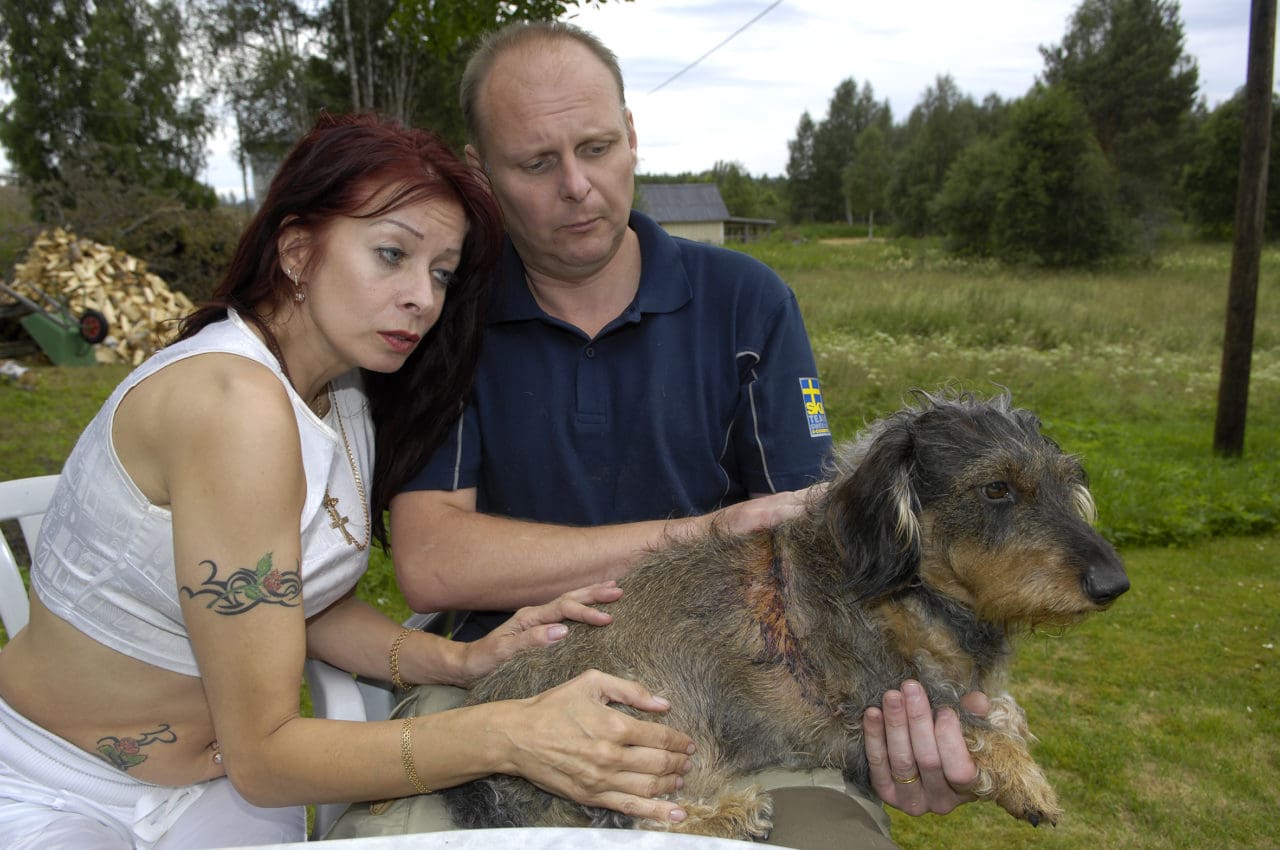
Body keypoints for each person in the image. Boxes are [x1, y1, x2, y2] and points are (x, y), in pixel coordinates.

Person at [332, 21, 985, 850]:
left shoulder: (748, 301)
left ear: (632, 136)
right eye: (536, 163)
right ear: (483, 172)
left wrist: (925, 711)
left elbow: (817, 542)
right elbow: (432, 563)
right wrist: (701, 533)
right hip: (502, 687)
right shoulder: (441, 311)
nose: (578, 186)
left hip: (733, 694)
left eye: (597, 147)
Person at [0, 111, 697, 850]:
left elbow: (292, 603)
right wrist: (510, 733)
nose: (423, 300)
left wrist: (460, 661)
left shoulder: (343, 395)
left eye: (440, 274)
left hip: (218, 793)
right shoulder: (232, 405)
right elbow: (267, 753)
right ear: (298, 252)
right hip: (58, 786)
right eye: (390, 255)